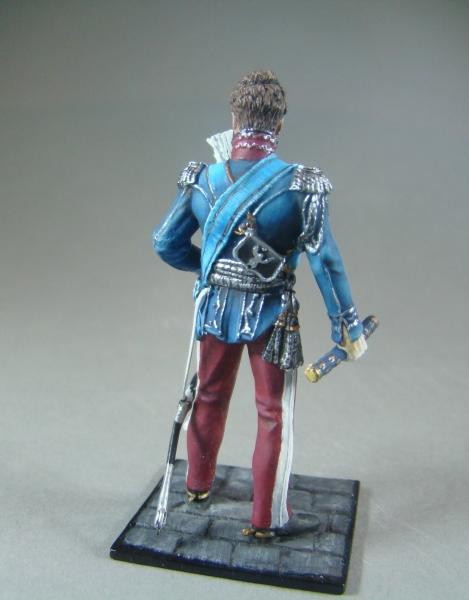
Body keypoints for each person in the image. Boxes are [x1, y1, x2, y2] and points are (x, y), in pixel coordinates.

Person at [153, 70, 366, 538]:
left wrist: (211, 269)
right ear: (280, 124)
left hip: (214, 308)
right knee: (272, 412)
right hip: (272, 315)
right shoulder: (301, 186)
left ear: (234, 119)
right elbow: (326, 261)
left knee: (209, 394)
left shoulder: (202, 180)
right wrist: (347, 327)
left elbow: (165, 242)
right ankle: (265, 519)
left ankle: (197, 485)